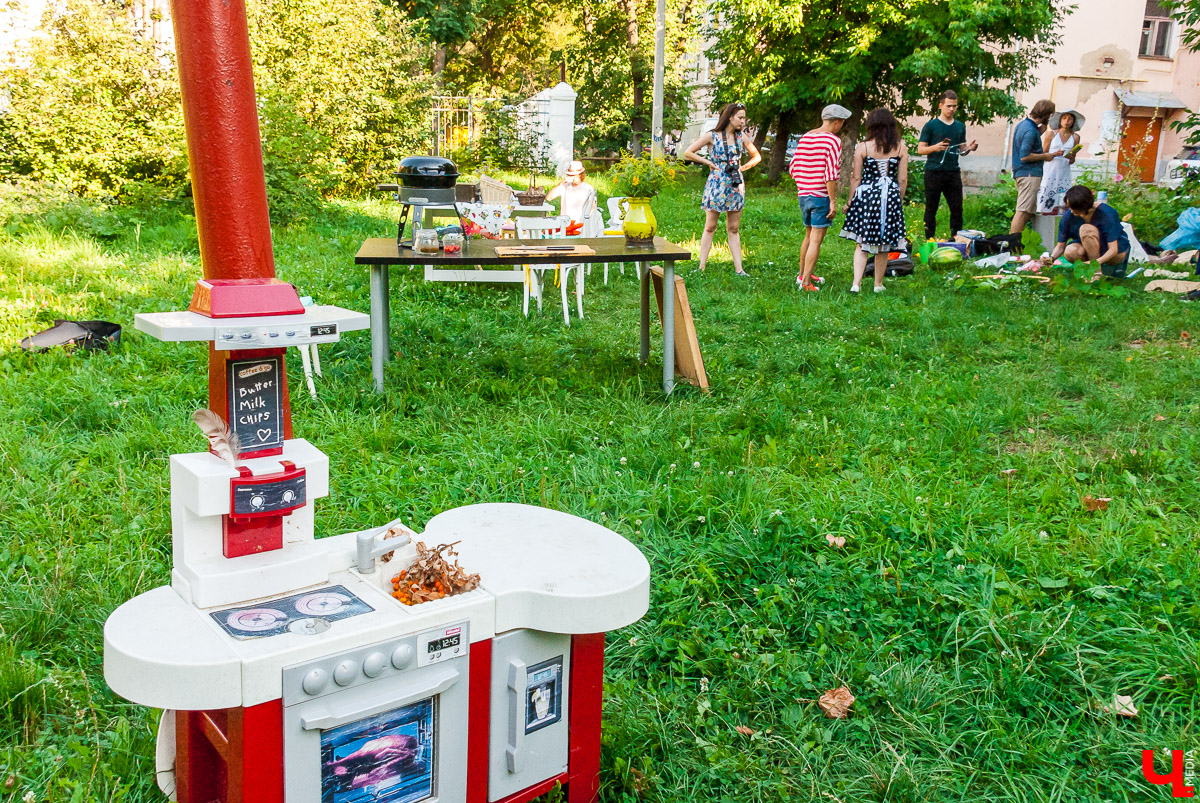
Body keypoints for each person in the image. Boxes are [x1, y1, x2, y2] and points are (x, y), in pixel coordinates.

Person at [683, 102, 763, 276]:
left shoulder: (742, 137)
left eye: (744, 118)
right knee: (710, 226)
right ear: (730, 117)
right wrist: (709, 163)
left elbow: (756, 156)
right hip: (717, 183)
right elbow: (688, 152)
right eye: (740, 118)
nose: (743, 122)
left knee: (733, 228)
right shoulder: (712, 136)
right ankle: (701, 267)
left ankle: (739, 269)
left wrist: (742, 169)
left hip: (735, 184)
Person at [839, 107, 908, 293]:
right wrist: (897, 200)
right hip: (890, 196)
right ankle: (878, 284)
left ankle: (856, 283)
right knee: (884, 243)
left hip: (868, 197)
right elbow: (902, 179)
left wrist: (850, 202)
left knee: (862, 242)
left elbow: (856, 178)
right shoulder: (901, 147)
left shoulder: (863, 147)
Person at [789, 103, 851, 291]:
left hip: (804, 194)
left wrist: (804, 184)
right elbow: (830, 174)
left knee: (808, 236)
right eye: (842, 122)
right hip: (820, 195)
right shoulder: (832, 141)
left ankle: (803, 274)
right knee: (816, 239)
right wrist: (832, 200)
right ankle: (806, 282)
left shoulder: (807, 137)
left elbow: (793, 167)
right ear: (837, 122)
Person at [917, 90, 978, 241]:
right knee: (931, 208)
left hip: (952, 172)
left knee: (957, 209)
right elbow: (920, 149)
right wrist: (935, 147)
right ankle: (929, 239)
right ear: (941, 105)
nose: (952, 109)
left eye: (954, 106)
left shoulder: (959, 126)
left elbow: (961, 150)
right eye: (949, 106)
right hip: (933, 172)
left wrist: (969, 149)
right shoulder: (931, 125)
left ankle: (957, 240)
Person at [1046, 184, 1130, 276]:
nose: (1071, 211)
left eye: (1074, 207)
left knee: (1086, 229)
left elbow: (1113, 249)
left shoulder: (1107, 214)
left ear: (1083, 206)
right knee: (1070, 251)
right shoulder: (1068, 217)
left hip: (1114, 252)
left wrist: (1095, 263)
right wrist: (1051, 258)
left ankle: (1096, 272)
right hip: (1088, 250)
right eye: (1069, 207)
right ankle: (1090, 272)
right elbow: (1060, 246)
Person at [1010, 99, 1061, 234]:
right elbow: (1025, 156)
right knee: (1022, 211)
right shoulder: (1030, 131)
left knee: (1028, 211)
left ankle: (1019, 242)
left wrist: (1045, 125)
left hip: (1022, 173)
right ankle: (1011, 243)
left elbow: (1032, 137)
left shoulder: (1024, 125)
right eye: (1051, 115)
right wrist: (1046, 156)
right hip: (1029, 175)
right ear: (1047, 114)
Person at [1037, 109, 1084, 214]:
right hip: (1050, 169)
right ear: (1060, 120)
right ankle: (1044, 213)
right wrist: (1054, 154)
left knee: (1063, 195)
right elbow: (1043, 153)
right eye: (1064, 118)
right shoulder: (1051, 134)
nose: (1066, 121)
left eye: (1070, 119)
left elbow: (1073, 159)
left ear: (1073, 121)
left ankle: (1062, 215)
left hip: (1064, 170)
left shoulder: (1075, 137)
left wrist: (1071, 157)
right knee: (1047, 191)